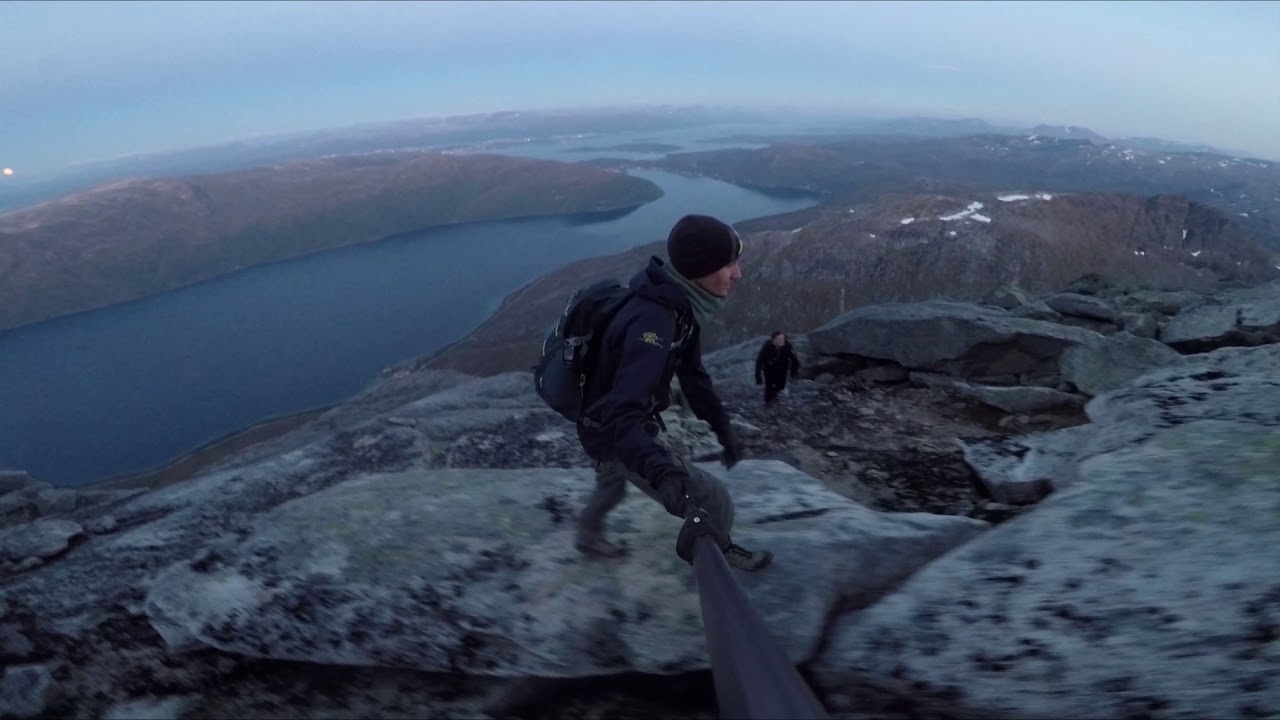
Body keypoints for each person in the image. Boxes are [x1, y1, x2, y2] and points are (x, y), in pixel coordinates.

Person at [573, 214, 773, 572]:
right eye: (729, 264)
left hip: (596, 421)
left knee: (611, 484)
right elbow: (622, 417)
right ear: (702, 268)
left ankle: (585, 535)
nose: (738, 274)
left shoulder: (678, 309)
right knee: (713, 499)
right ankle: (717, 563)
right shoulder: (654, 324)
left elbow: (694, 379)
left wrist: (722, 429)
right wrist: (664, 471)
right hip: (611, 430)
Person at [754, 331, 800, 406]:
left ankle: (775, 400)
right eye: (779, 339)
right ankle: (768, 405)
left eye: (783, 339)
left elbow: (795, 361)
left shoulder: (788, 347)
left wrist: (793, 373)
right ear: (773, 340)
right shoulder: (767, 347)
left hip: (782, 368)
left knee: (780, 387)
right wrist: (758, 376)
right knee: (769, 387)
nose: (782, 341)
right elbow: (759, 361)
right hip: (769, 368)